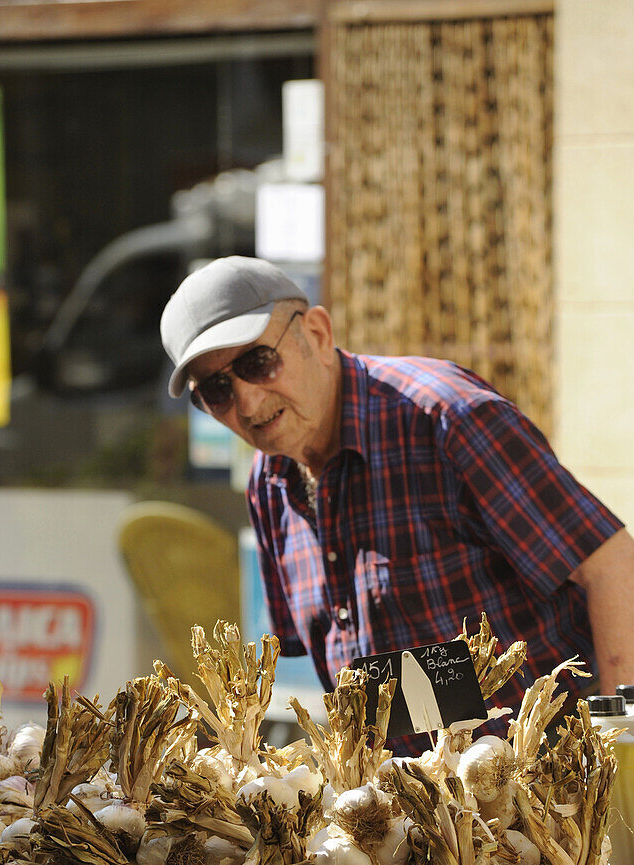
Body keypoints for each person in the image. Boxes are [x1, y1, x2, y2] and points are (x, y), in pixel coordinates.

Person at [161, 255, 634, 753]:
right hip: (410, 808)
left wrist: (619, 749)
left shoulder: (445, 418)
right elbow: (349, 668)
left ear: (318, 334)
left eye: (259, 363)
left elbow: (610, 564)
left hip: (545, 787)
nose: (249, 403)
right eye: (216, 390)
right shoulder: (269, 480)